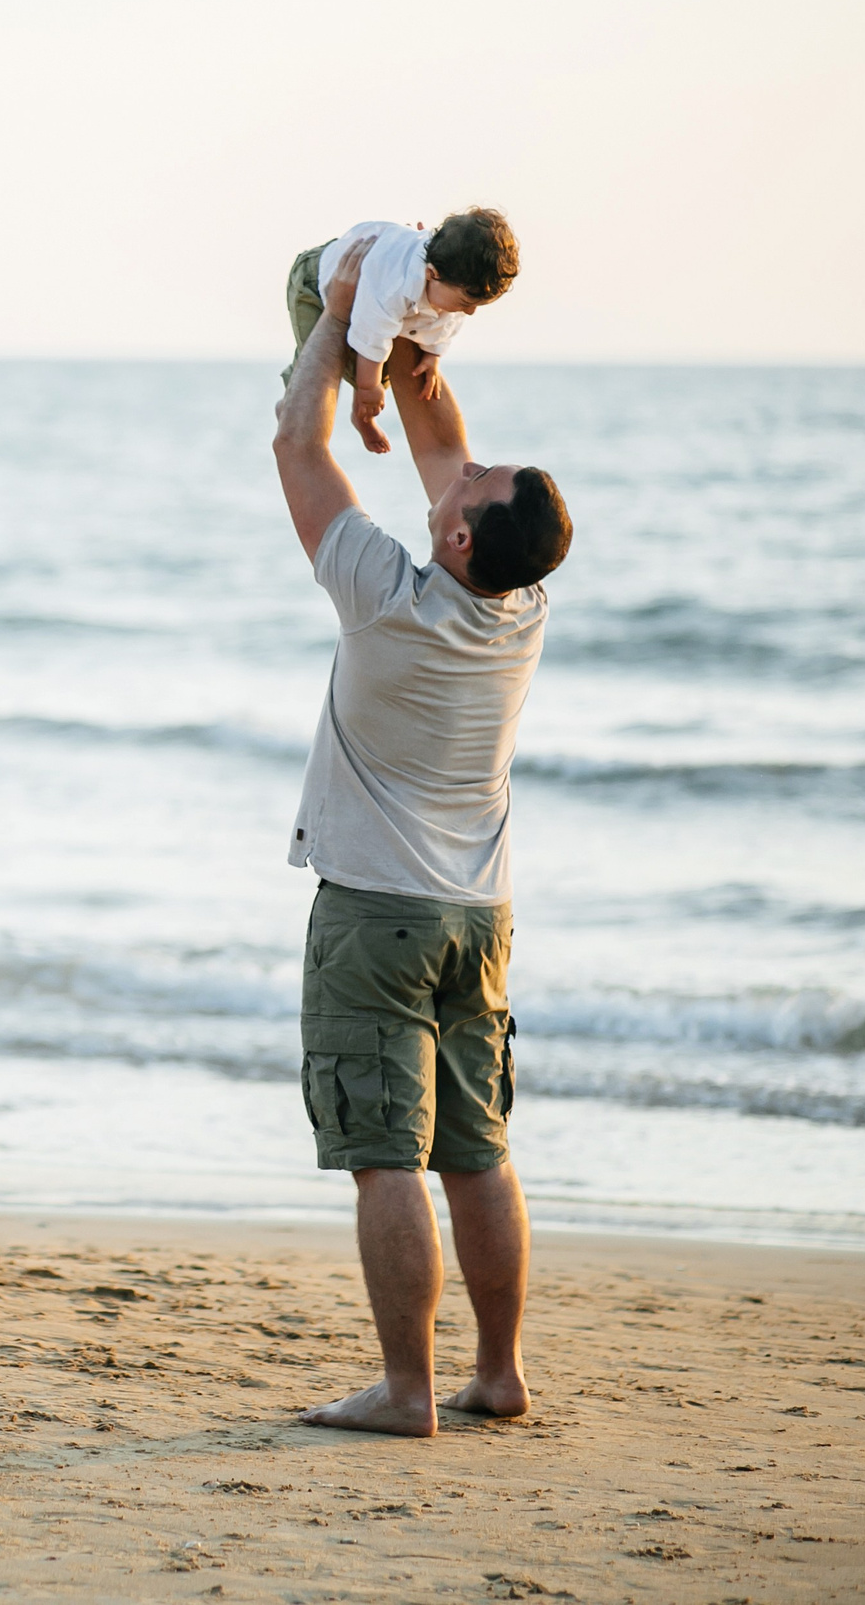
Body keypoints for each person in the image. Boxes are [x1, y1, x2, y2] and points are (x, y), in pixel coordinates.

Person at [269, 235, 571, 1438]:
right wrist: (409, 326)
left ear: (456, 538)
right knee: (476, 1151)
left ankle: (405, 1392)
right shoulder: (520, 600)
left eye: (476, 483)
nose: (467, 468)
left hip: (377, 918)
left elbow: (298, 446)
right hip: (476, 918)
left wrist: (335, 315)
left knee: (384, 1156)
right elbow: (434, 421)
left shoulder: (387, 603)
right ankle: (496, 1373)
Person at [282, 208, 518, 458]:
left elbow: (448, 322)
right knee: (319, 362)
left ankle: (361, 415)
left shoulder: (455, 276)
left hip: (373, 295)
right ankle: (291, 405)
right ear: (432, 274)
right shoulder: (393, 285)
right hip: (318, 283)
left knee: (378, 363)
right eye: (466, 303)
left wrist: (433, 354)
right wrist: (369, 390)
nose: (470, 312)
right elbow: (371, 341)